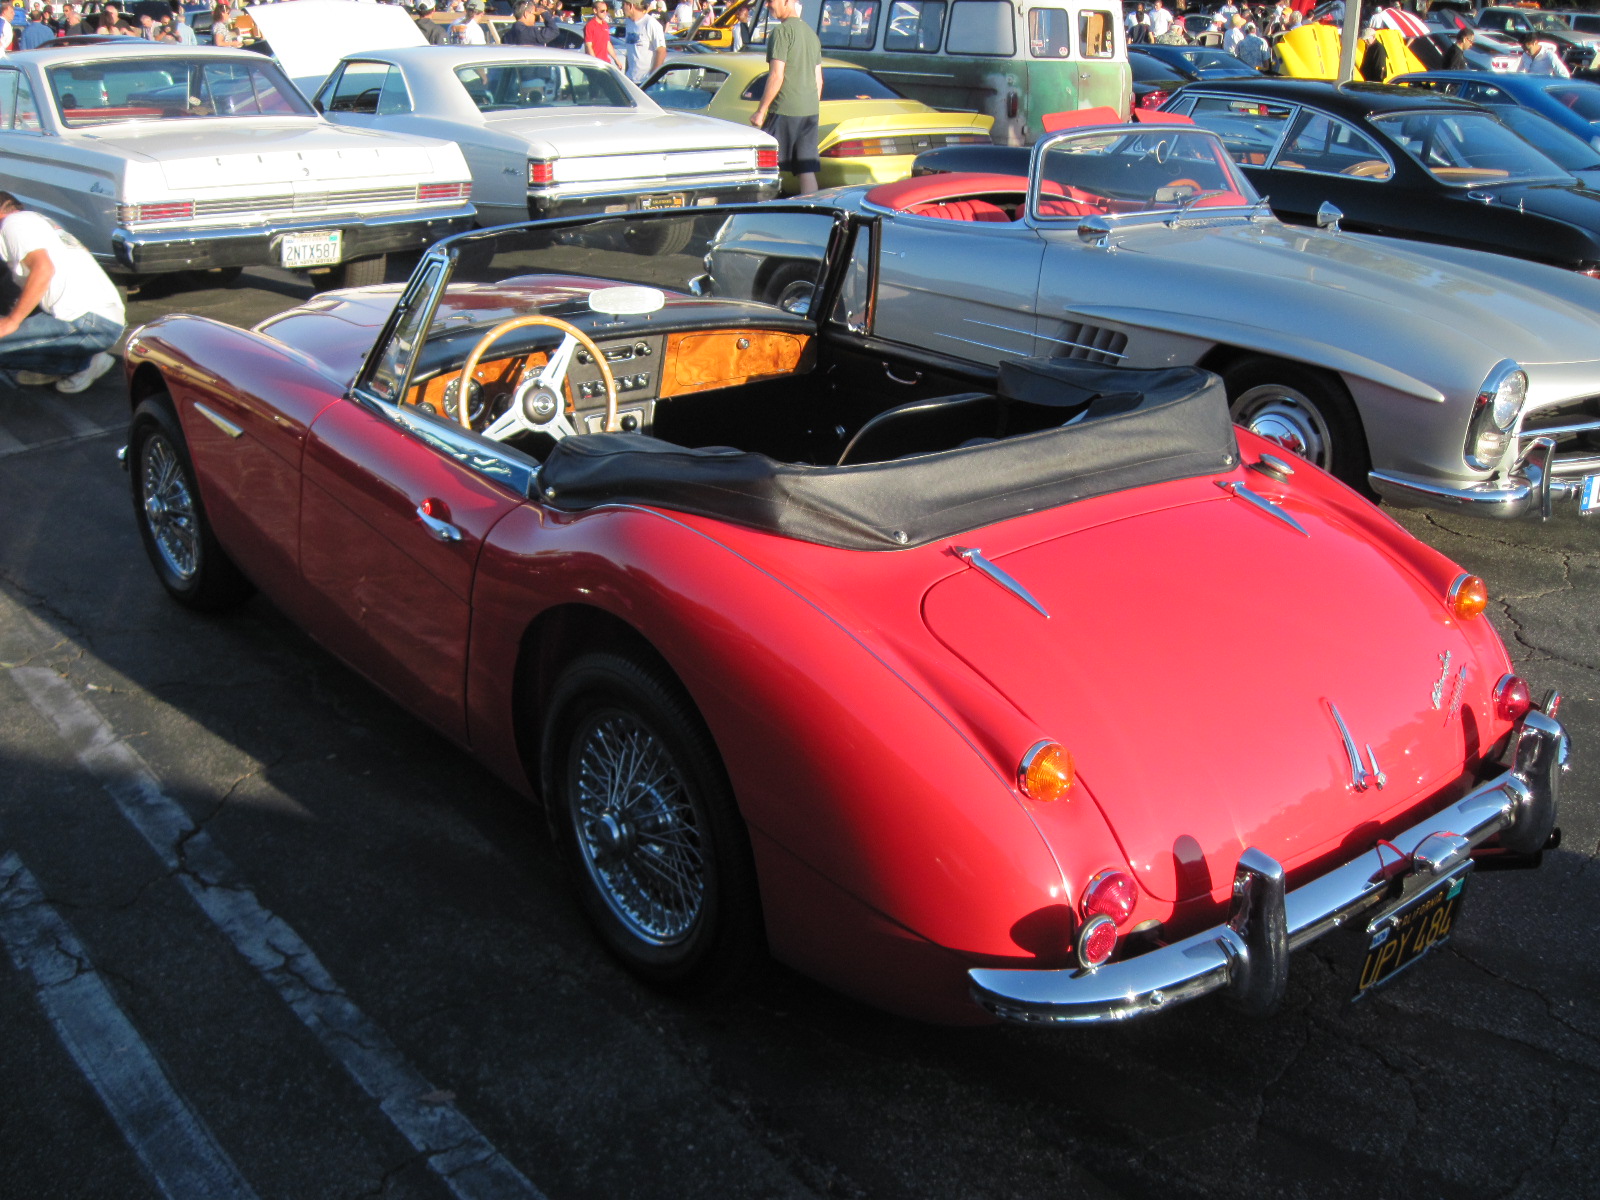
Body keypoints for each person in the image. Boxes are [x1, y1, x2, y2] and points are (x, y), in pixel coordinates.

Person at [0, 192, 124, 394]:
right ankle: (83, 362)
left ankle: (81, 364)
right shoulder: (38, 224)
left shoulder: (14, 223)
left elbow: (44, 269)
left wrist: (12, 321)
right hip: (100, 322)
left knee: (8, 331)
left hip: (87, 321)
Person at [749, 0, 819, 195]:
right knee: (806, 168)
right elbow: (818, 80)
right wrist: (811, 104)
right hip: (810, 110)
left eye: (771, 1)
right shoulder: (811, 34)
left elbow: (776, 75)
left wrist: (761, 112)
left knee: (766, 164)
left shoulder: (781, 32)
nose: (768, 5)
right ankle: (810, 211)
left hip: (785, 108)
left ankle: (766, 210)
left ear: (787, 2)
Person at [620, 0, 664, 82]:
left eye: (623, 4)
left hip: (645, 80)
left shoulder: (650, 23)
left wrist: (653, 77)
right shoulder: (629, 23)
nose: (622, 8)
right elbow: (630, 52)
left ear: (631, 6)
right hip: (630, 79)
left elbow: (661, 51)